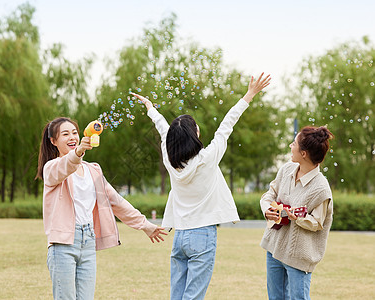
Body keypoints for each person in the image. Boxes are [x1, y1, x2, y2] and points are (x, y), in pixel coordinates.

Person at [132, 72, 271, 299]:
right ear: (194, 135)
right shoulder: (208, 158)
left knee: (177, 295)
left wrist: (150, 108)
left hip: (180, 235)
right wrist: (249, 95)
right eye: (196, 127)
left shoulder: (170, 160)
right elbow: (227, 123)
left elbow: (163, 129)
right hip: (203, 235)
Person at [35, 117, 167, 300]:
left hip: (88, 242)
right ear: (53, 141)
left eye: (74, 132)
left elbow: (116, 201)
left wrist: (144, 224)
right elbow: (65, 166)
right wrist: (79, 151)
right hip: (63, 244)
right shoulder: (51, 168)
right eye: (65, 134)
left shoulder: (93, 170)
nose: (72, 136)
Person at [260, 126, 334, 300]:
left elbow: (317, 223)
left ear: (304, 153)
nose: (290, 146)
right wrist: (267, 209)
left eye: (294, 143)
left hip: (299, 257)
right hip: (274, 249)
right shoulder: (286, 170)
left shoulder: (321, 188)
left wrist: (298, 218)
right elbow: (270, 194)